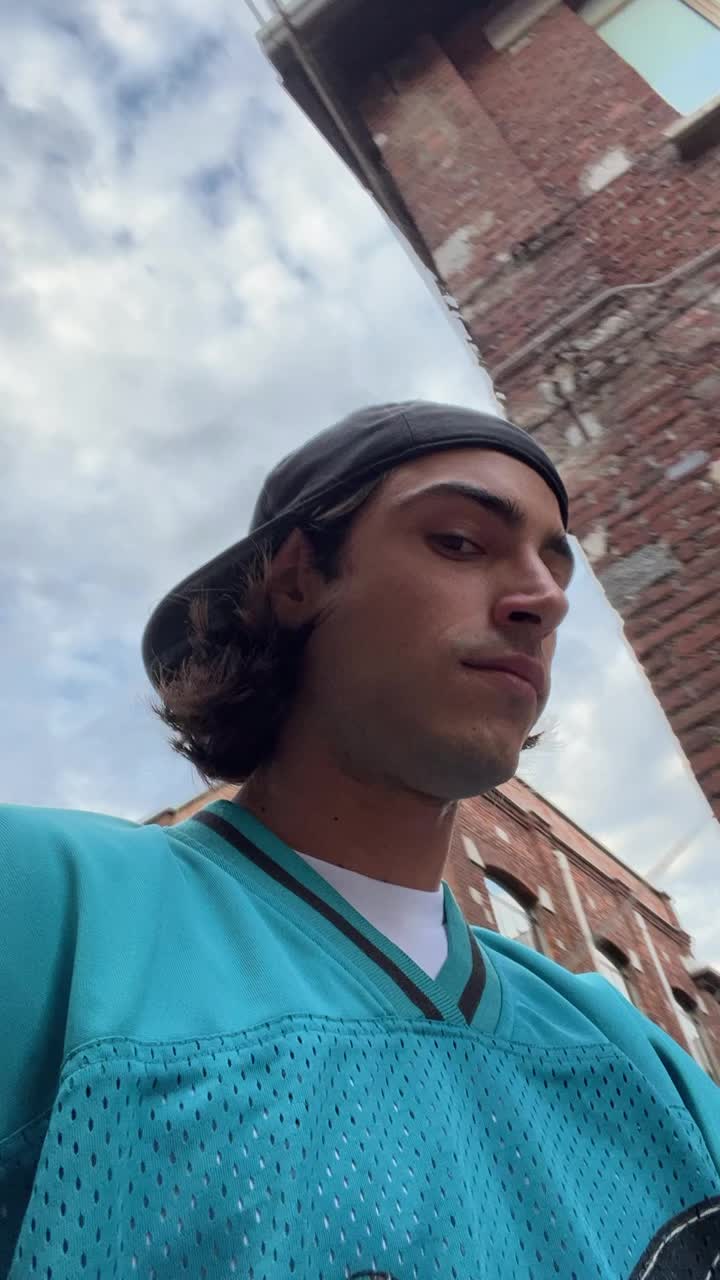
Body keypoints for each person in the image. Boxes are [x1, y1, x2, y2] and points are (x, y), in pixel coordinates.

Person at [1, 401, 718, 1280]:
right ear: (297, 579)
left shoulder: (640, 1057)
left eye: (554, 565)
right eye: (461, 541)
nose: (545, 600)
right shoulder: (47, 910)